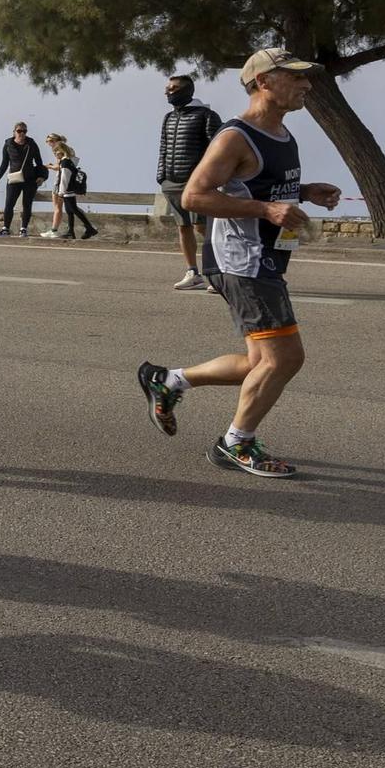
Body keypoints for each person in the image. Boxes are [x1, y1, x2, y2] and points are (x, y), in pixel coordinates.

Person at [136, 49, 340, 478]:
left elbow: (256, 184)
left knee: (257, 362)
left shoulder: (281, 132)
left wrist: (302, 192)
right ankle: (236, 442)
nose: (307, 85)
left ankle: (169, 381)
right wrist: (267, 211)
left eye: (307, 78)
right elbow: (194, 196)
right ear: (263, 82)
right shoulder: (234, 136)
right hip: (243, 261)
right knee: (284, 359)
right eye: (296, 77)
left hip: (266, 258)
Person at [159, 75, 223, 290]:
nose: (168, 92)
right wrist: (162, 177)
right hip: (171, 182)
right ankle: (193, 273)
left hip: (196, 183)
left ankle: (218, 273)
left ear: (187, 91)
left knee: (202, 227)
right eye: (167, 88)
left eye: (173, 88)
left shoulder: (207, 115)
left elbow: (219, 150)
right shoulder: (168, 117)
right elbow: (164, 148)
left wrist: (206, 179)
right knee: (183, 226)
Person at [0, 121, 47, 237]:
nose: (22, 133)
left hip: (29, 179)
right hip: (14, 179)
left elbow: (39, 162)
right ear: (14, 132)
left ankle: (23, 228)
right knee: (9, 203)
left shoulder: (31, 144)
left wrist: (41, 177)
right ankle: (6, 228)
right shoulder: (8, 144)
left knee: (27, 204)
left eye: (24, 131)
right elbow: (4, 163)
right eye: (19, 131)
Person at [40, 134, 97, 239]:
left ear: (60, 151)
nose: (55, 155)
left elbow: (64, 179)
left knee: (73, 209)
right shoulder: (67, 160)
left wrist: (61, 192)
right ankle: (71, 231)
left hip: (67, 190)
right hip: (68, 190)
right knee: (70, 210)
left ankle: (90, 228)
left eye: (56, 153)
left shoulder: (65, 162)